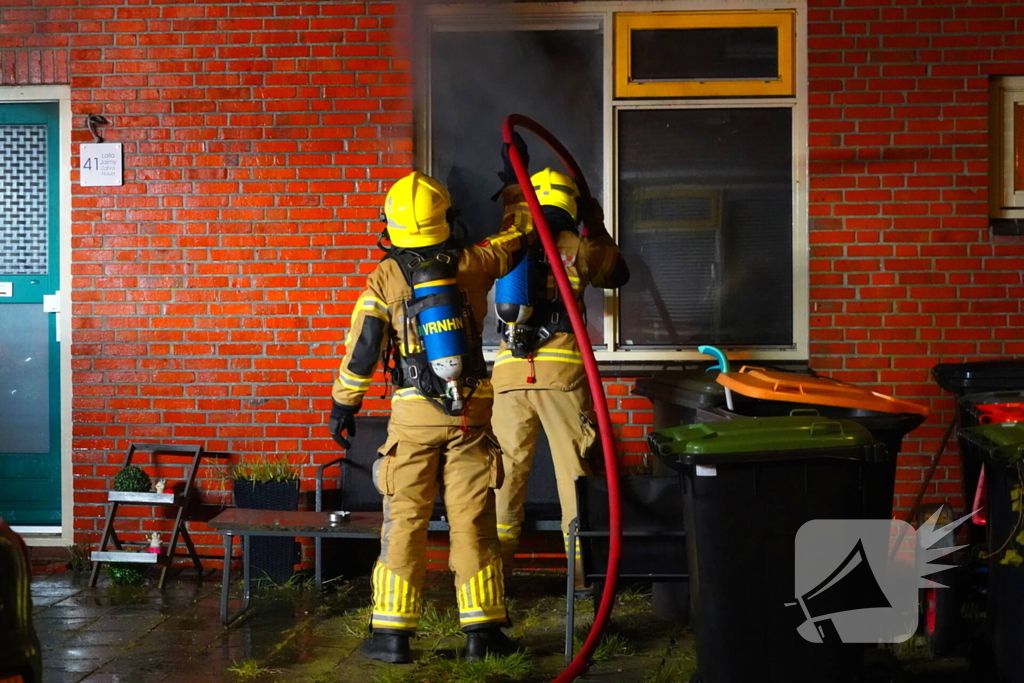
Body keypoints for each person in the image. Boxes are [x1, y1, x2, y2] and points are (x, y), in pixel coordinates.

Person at [328, 153, 534, 664]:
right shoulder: (471, 263)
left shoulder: (385, 277)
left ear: (393, 224)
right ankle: (482, 635)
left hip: (413, 414)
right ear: (446, 219)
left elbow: (364, 347)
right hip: (471, 410)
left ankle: (392, 637)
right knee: (474, 521)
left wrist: (343, 404)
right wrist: (517, 192)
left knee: (405, 519)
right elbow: (518, 240)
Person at [490, 168, 629, 593]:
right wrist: (597, 223)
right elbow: (616, 274)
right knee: (575, 475)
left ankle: (493, 583)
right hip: (561, 374)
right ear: (570, 203)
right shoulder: (580, 247)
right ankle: (586, 580)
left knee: (504, 477)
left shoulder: (508, 243)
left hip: (510, 375)